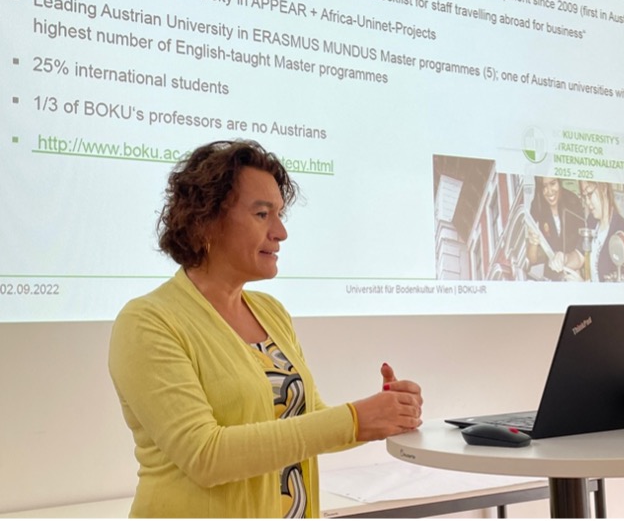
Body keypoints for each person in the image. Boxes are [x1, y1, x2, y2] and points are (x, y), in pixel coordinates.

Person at [109, 140, 423, 518]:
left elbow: (305, 423)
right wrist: (355, 419)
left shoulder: (270, 312)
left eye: (280, 214)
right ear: (205, 220)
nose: (281, 232)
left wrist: (383, 415)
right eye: (262, 214)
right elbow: (205, 456)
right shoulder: (148, 322)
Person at [526, 176, 584, 280]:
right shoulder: (537, 204)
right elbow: (532, 259)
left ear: (559, 181)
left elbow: (583, 245)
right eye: (544, 187)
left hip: (574, 272)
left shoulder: (572, 201)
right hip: (551, 274)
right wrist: (533, 242)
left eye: (553, 184)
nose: (549, 191)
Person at [578, 180, 624, 282]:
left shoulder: (620, 230)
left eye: (589, 194)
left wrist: (582, 285)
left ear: (603, 188)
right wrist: (563, 259)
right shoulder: (592, 220)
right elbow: (580, 255)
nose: (587, 202)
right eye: (584, 196)